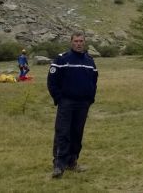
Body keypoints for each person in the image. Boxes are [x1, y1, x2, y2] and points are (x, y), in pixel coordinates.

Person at [47, 31, 98, 179]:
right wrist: (59, 99)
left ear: (84, 42)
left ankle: (72, 161)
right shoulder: (62, 59)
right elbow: (52, 81)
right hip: (66, 102)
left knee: (77, 133)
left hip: (83, 104)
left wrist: (90, 99)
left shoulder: (90, 61)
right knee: (63, 133)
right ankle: (58, 165)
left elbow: (94, 81)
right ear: (71, 42)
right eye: (76, 41)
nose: (78, 43)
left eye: (81, 41)